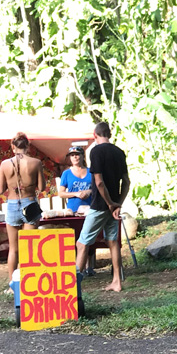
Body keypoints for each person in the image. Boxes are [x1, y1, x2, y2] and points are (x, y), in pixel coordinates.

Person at [75, 122, 129, 292]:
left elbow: (99, 182)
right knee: (112, 241)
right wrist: (117, 203)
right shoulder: (119, 152)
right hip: (113, 206)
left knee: (82, 243)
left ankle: (74, 287)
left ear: (95, 135)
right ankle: (117, 282)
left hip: (100, 205)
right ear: (109, 134)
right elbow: (126, 182)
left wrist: (109, 203)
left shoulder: (96, 151)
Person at [0, 132, 45, 274]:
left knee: (13, 249)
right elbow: (41, 187)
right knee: (29, 247)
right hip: (29, 203)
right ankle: (29, 281)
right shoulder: (36, 163)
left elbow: (0, 190)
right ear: (28, 146)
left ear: (13, 146)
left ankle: (12, 282)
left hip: (12, 204)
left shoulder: (5, 164)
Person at [58, 145, 95, 275]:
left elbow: (97, 188)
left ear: (82, 156)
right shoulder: (66, 173)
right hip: (73, 211)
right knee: (75, 238)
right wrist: (75, 194)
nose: (75, 157)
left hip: (89, 209)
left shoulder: (90, 171)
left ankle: (90, 266)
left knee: (89, 237)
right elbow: (61, 193)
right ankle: (76, 267)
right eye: (72, 155)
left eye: (77, 154)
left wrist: (89, 191)